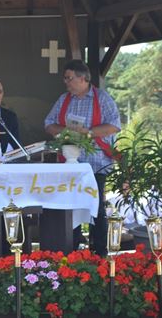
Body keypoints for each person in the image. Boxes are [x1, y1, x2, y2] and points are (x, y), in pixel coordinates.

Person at [44, 59, 121, 256]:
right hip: (69, 164)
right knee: (70, 206)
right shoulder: (64, 99)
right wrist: (66, 132)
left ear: (83, 78)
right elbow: (49, 123)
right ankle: (73, 250)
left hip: (96, 163)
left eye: (69, 78)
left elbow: (114, 126)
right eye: (66, 78)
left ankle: (100, 253)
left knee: (97, 208)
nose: (66, 82)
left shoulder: (102, 98)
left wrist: (87, 133)